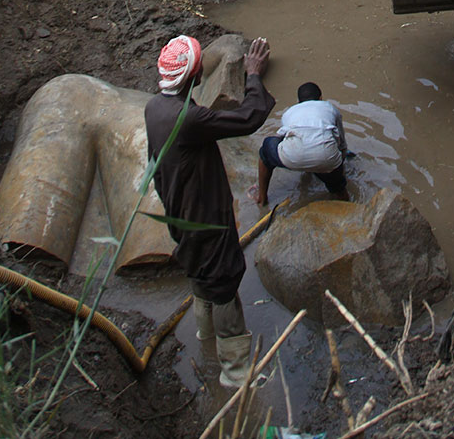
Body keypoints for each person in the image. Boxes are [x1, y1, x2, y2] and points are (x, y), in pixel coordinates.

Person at [144, 34, 274, 388]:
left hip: (180, 212)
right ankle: (236, 372)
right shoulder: (188, 118)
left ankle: (206, 338)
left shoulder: (154, 108)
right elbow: (248, 119)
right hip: (206, 217)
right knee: (222, 281)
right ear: (195, 74)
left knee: (200, 274)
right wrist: (253, 75)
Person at [254, 81, 348, 205]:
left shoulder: (289, 112)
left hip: (292, 157)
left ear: (298, 101)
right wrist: (338, 168)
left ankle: (262, 198)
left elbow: (285, 137)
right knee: (339, 187)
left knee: (266, 148)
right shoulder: (329, 108)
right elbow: (341, 144)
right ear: (320, 98)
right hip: (326, 158)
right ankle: (344, 199)